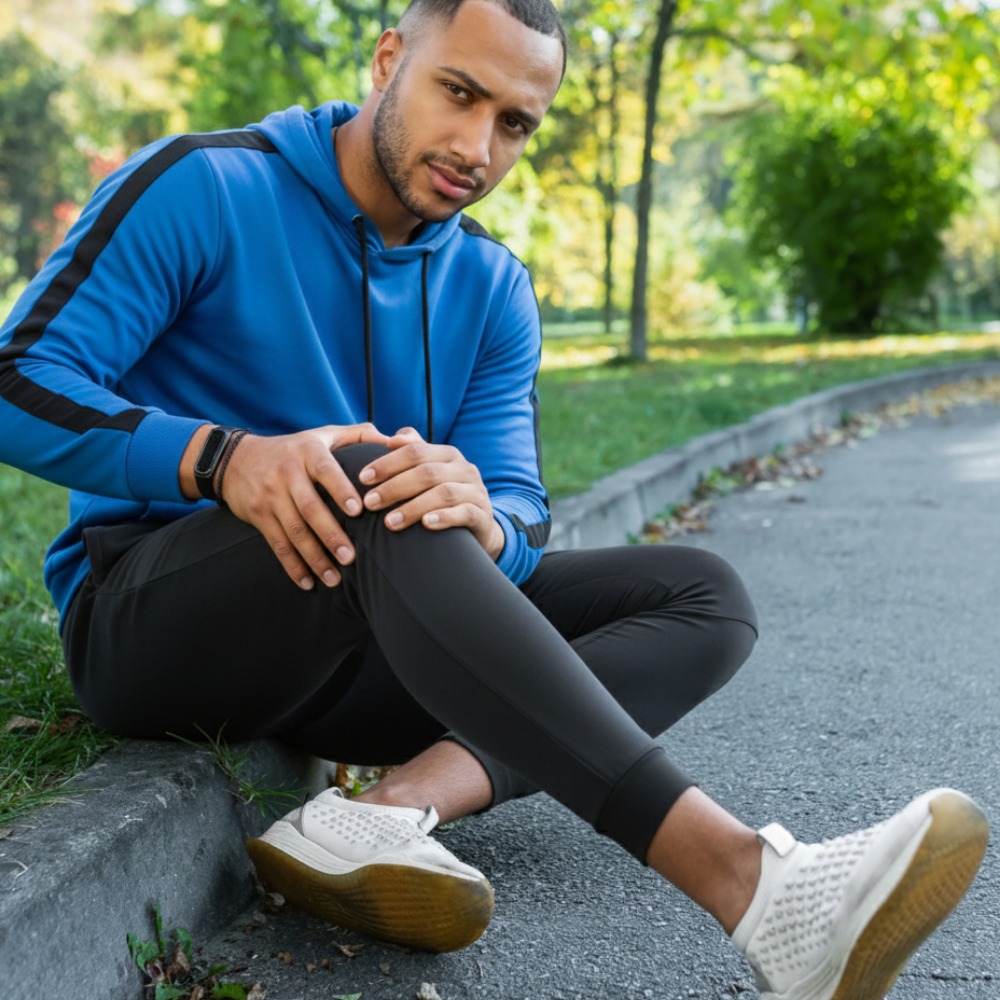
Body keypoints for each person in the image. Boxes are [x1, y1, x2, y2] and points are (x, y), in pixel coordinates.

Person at [0, 0, 988, 995]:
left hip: (358, 655)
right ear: (388, 59)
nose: (477, 148)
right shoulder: (207, 186)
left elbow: (519, 506)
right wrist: (221, 459)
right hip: (154, 630)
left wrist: (484, 517)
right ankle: (748, 883)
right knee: (370, 479)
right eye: (459, 93)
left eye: (514, 122)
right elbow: (17, 379)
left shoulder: (493, 285)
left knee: (701, 594)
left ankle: (387, 812)